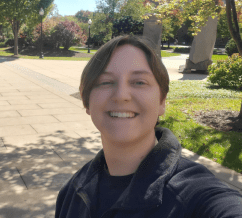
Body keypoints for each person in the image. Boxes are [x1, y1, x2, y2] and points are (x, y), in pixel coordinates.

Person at [55, 35, 242, 218]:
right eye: (105, 82)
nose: (121, 95)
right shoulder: (71, 193)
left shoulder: (196, 194)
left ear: (162, 101)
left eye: (139, 82)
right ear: (86, 101)